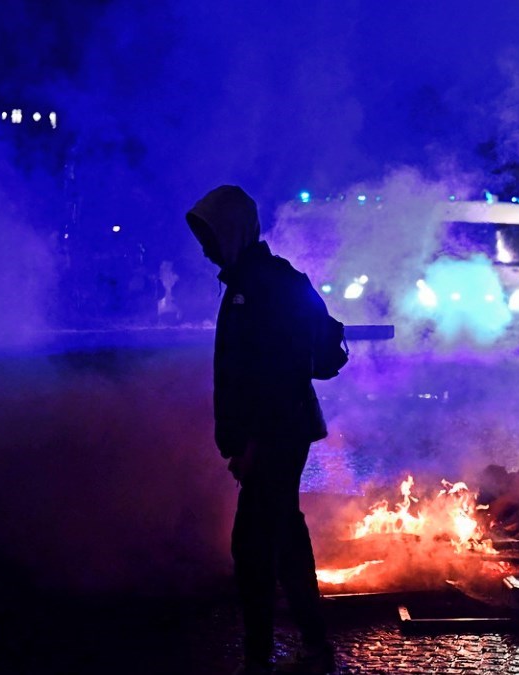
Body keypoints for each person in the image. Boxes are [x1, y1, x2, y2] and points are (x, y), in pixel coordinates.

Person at [186, 185, 336, 675]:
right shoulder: (267, 280)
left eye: (209, 234)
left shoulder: (257, 286)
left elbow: (268, 374)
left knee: (251, 547)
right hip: (284, 430)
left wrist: (249, 443)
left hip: (273, 436)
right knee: (284, 533)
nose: (204, 246)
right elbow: (312, 355)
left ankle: (258, 657)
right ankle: (314, 641)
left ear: (232, 231)